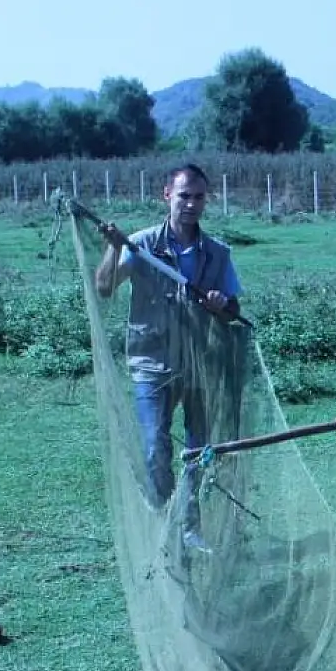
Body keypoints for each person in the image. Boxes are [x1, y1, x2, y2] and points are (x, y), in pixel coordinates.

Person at [94, 164, 244, 549]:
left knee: (197, 450)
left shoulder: (217, 253)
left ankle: (190, 527)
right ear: (167, 196)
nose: (191, 204)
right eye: (183, 196)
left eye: (198, 197)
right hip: (151, 364)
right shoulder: (140, 245)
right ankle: (165, 521)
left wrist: (220, 304)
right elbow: (105, 286)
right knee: (154, 446)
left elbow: (233, 308)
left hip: (201, 363)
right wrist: (114, 248)